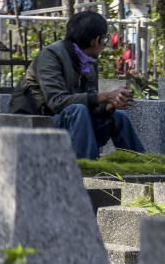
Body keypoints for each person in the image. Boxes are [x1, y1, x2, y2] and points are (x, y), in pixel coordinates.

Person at [9, 11, 145, 159]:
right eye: (105, 39)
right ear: (96, 40)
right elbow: (57, 102)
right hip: (33, 127)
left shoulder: (88, 63)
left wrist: (111, 104)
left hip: (66, 124)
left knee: (118, 116)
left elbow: (91, 106)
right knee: (77, 110)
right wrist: (105, 96)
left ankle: (145, 167)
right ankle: (90, 170)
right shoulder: (50, 56)